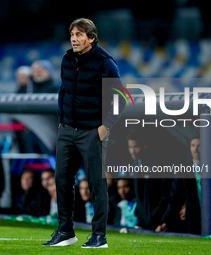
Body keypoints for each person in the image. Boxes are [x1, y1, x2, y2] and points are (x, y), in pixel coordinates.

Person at [42, 18, 125, 248]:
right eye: (72, 34)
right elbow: (62, 91)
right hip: (67, 130)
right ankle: (66, 231)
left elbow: (122, 98)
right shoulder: (67, 59)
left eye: (78, 34)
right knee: (61, 180)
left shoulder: (105, 62)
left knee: (96, 184)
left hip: (92, 132)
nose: (73, 38)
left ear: (91, 38)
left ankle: (99, 236)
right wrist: (61, 122)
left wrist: (106, 126)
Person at [155, 137, 202, 234]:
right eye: (193, 145)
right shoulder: (183, 171)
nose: (195, 149)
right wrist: (166, 222)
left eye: (199, 146)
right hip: (191, 223)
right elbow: (174, 199)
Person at [126, 131, 171, 230]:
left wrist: (154, 217)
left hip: (157, 223)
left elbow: (165, 195)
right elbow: (139, 195)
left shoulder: (158, 165)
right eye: (130, 147)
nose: (132, 151)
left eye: (136, 147)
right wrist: (139, 214)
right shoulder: (135, 165)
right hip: (142, 222)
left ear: (144, 146)